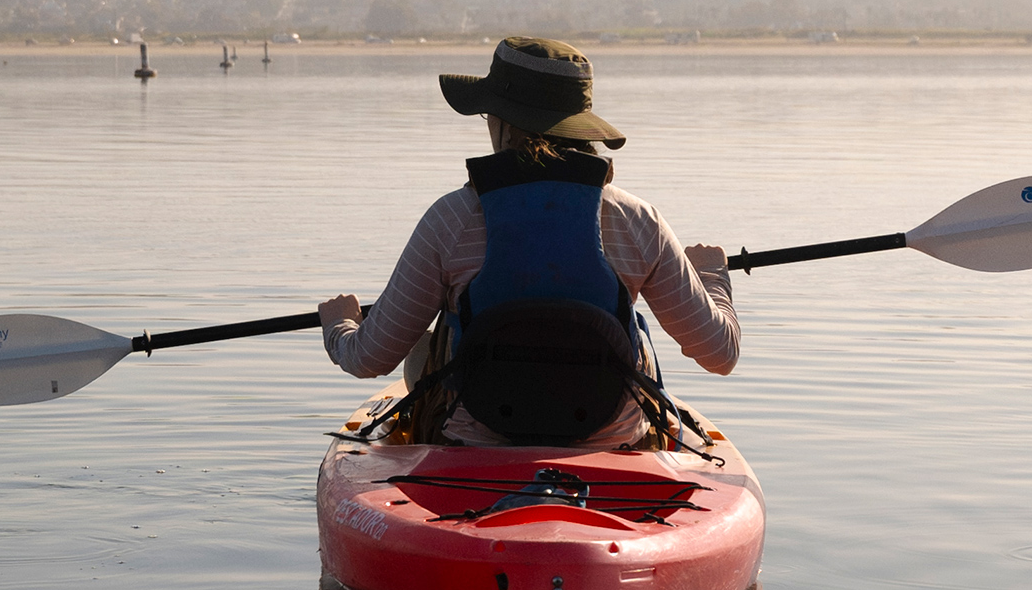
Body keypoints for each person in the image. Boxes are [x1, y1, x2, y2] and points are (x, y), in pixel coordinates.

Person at [316, 36, 737, 449]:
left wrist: (340, 325)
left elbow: (366, 359)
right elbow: (720, 354)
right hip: (615, 446)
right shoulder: (639, 221)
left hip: (475, 446)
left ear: (503, 124)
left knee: (428, 347)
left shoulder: (451, 220)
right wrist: (711, 277)